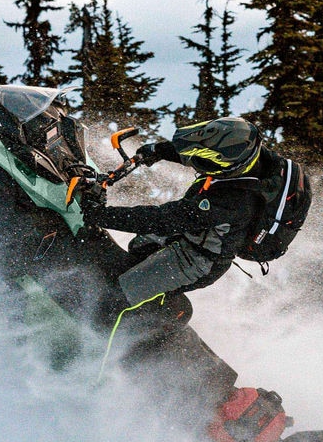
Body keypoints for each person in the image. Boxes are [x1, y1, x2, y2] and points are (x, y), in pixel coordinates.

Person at [78, 117, 268, 327]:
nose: (200, 161)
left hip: (198, 259)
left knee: (118, 298)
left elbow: (163, 219)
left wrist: (101, 215)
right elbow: (200, 148)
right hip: (192, 234)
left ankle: (106, 336)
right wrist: (159, 151)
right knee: (140, 247)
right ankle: (151, 292)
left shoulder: (231, 201)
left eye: (208, 159)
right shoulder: (245, 155)